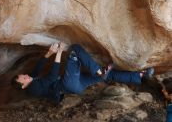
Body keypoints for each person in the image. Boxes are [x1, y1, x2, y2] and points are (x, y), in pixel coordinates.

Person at [11, 42, 154, 103]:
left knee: (107, 75)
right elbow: (52, 76)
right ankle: (98, 71)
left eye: (23, 75)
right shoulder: (34, 88)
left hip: (76, 85)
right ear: (23, 85)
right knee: (75, 50)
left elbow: (37, 68)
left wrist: (49, 53)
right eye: (23, 78)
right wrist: (59, 52)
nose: (25, 75)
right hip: (68, 84)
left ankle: (139, 76)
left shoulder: (31, 81)